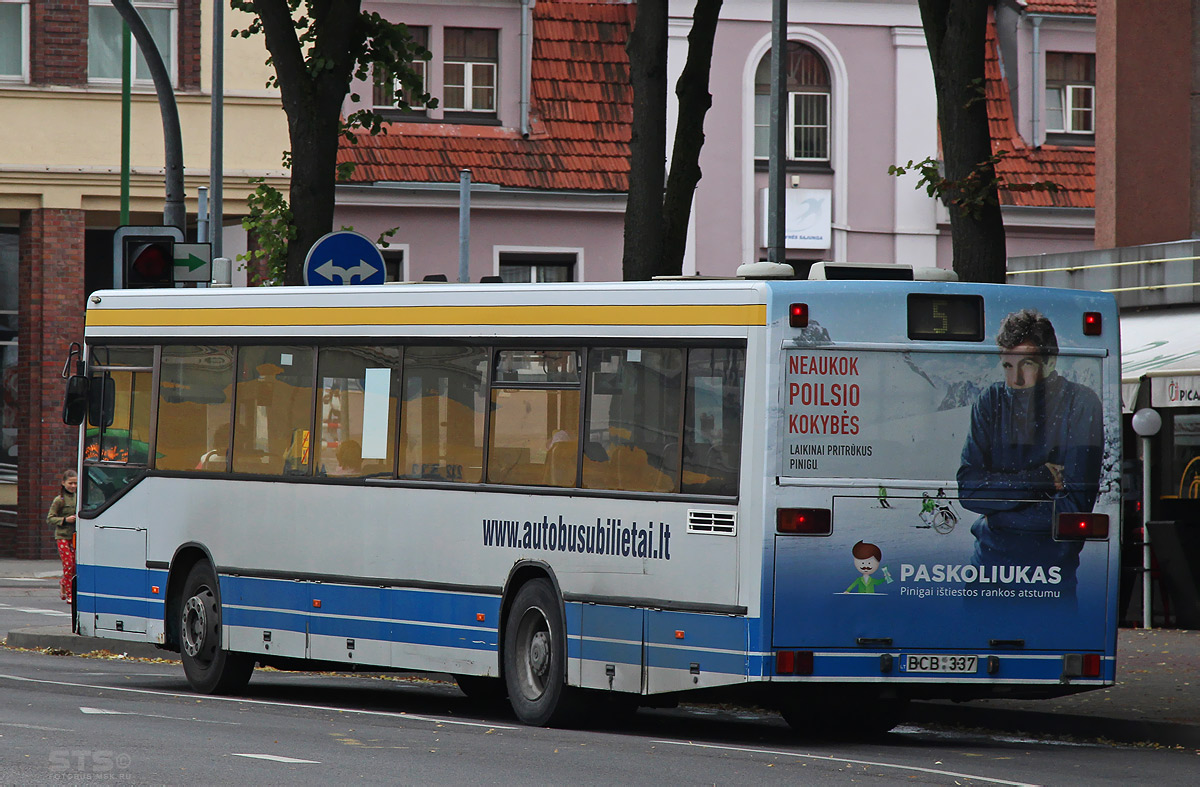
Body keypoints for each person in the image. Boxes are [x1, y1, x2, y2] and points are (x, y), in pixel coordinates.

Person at [957, 309, 1103, 597]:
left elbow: (1072, 508)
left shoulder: (1081, 402)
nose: (1016, 379)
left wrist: (997, 514)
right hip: (987, 570)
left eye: (1026, 364)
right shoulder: (991, 401)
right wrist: (1040, 479)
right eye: (1007, 366)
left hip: (1051, 576)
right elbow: (969, 490)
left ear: (1050, 361)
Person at [46, 469, 78, 602]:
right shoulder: (59, 500)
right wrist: (65, 520)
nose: (73, 486)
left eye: (76, 483)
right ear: (63, 483)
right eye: (70, 483)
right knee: (68, 563)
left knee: (75, 565)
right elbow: (50, 518)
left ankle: (64, 583)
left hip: (75, 536)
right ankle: (70, 594)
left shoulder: (79, 498)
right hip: (62, 536)